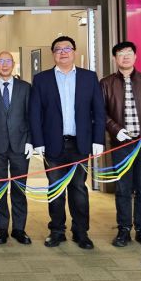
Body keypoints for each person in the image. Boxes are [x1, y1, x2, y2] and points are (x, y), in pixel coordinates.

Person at [29, 36, 106, 250]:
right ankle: (57, 231)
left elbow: (99, 111)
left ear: (74, 51)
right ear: (53, 54)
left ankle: (81, 232)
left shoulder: (88, 77)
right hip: (53, 145)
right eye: (58, 49)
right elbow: (35, 113)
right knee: (55, 189)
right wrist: (38, 142)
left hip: (80, 144)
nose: (63, 52)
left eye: (67, 48)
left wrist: (98, 139)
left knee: (78, 188)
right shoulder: (42, 79)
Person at [100, 41, 141, 248]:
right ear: (115, 58)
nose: (125, 56)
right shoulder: (106, 83)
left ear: (135, 56)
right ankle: (124, 230)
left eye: (129, 53)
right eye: (121, 53)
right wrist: (116, 130)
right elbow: (100, 112)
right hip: (121, 146)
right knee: (123, 189)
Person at [0, 51, 33, 245]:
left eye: (8, 61)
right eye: (1, 61)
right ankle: (2, 229)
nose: (4, 64)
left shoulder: (25, 87)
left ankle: (19, 229)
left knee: (19, 188)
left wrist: (30, 140)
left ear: (13, 63)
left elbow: (30, 116)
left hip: (20, 144)